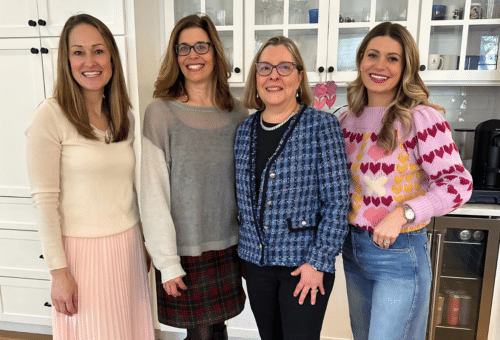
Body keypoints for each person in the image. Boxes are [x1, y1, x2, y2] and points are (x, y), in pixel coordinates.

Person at [339, 22, 473, 340]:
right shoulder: (346, 119)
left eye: (393, 58)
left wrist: (403, 213)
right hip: (352, 251)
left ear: (406, 66)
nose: (380, 65)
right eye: (372, 55)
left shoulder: (420, 119)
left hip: (398, 255)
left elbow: (457, 184)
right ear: (360, 60)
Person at [25, 14, 154, 340]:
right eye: (78, 52)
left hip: (127, 248)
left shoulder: (123, 115)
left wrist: (144, 242)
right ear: (66, 61)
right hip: (82, 256)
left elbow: (129, 187)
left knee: (130, 331)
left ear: (111, 55)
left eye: (98, 50)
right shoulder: (50, 116)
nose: (89, 61)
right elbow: (44, 200)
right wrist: (58, 272)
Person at [234, 35, 350, 340]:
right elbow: (243, 200)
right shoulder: (245, 130)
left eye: (284, 67)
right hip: (256, 266)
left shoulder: (321, 126)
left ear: (299, 77)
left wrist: (318, 261)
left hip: (304, 265)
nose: (274, 75)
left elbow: (338, 202)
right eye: (265, 68)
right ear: (255, 77)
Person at [140, 14, 247, 340]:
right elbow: (152, 193)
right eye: (183, 48)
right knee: (202, 336)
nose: (192, 55)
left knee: (218, 331)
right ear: (175, 56)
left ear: (215, 52)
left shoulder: (238, 114)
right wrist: (166, 262)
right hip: (183, 250)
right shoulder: (161, 113)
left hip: (230, 247)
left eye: (201, 46)